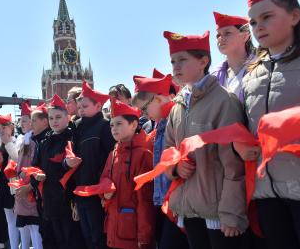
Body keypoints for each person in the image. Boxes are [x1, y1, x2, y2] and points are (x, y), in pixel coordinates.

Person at [234, 0, 300, 249]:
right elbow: (244, 127)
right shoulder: (250, 75)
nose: (258, 27)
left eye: (266, 17)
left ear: (294, 16)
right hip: (266, 191)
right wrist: (238, 146)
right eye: (252, 22)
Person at [163, 30, 247, 249]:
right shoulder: (178, 106)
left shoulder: (224, 102)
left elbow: (234, 164)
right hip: (188, 208)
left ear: (203, 61)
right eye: (173, 61)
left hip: (218, 212)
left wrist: (231, 212)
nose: (176, 67)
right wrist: (175, 167)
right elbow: (169, 149)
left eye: (182, 60)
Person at [132, 73, 187, 249]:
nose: (144, 115)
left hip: (177, 203)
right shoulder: (161, 124)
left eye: (145, 109)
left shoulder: (176, 120)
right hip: (164, 201)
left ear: (157, 100)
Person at [66, 80, 116, 249]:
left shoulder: (104, 126)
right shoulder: (77, 128)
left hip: (97, 191)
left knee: (98, 236)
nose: (81, 111)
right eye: (79, 108)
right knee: (87, 236)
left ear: (98, 106)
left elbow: (112, 158)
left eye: (85, 107)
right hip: (80, 190)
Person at [100, 98, 155, 249]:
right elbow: (103, 180)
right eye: (111, 125)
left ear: (134, 125)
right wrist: (105, 192)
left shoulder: (143, 155)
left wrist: (144, 237)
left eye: (119, 124)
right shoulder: (113, 154)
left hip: (132, 232)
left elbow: (145, 200)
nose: (114, 129)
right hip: (113, 229)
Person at [33, 94, 76, 249]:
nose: (54, 121)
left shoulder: (73, 137)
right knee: (50, 238)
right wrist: (36, 175)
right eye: (51, 118)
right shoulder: (44, 142)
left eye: (58, 117)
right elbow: (35, 166)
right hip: (48, 199)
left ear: (68, 117)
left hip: (66, 198)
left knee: (68, 239)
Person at [13, 102, 43, 249]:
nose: (22, 123)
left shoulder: (33, 141)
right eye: (21, 120)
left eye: (26, 120)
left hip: (30, 187)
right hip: (24, 186)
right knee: (29, 227)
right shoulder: (24, 140)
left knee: (35, 228)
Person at [212, 11, 256, 101]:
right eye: (218, 35)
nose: (220, 38)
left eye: (227, 33)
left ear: (245, 36)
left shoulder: (261, 66)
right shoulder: (214, 76)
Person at [0, 113, 20, 249]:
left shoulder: (17, 141)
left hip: (15, 185)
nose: (2, 130)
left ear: (12, 127)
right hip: (3, 185)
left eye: (4, 126)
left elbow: (18, 159)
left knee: (20, 221)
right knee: (10, 220)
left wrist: (8, 143)